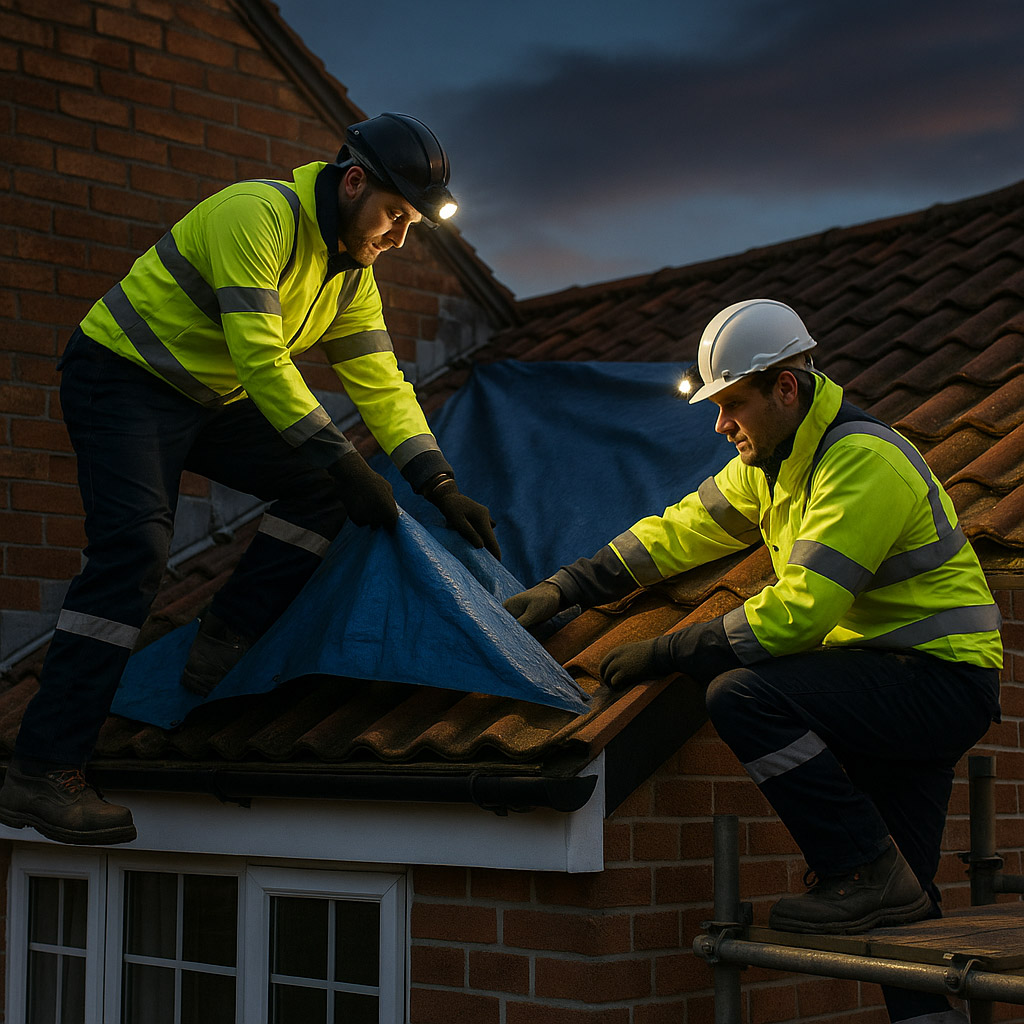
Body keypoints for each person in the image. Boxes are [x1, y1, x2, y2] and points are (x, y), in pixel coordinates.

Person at [0, 112, 499, 848]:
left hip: (207, 400)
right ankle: (41, 770)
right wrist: (345, 459)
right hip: (123, 380)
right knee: (135, 550)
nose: (398, 237)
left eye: (411, 226)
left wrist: (439, 481)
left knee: (327, 492)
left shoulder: (350, 275)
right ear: (353, 181)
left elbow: (382, 383)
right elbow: (264, 360)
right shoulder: (256, 215)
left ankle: (225, 636)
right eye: (394, 216)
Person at [505, 299, 1001, 1024]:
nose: (719, 424)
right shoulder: (774, 466)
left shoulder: (861, 461)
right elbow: (678, 532)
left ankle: (859, 869)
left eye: (731, 404)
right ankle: (884, 894)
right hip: (894, 685)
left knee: (743, 695)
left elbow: (802, 612)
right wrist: (570, 586)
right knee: (905, 921)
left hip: (936, 682)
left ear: (786, 389)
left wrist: (673, 648)